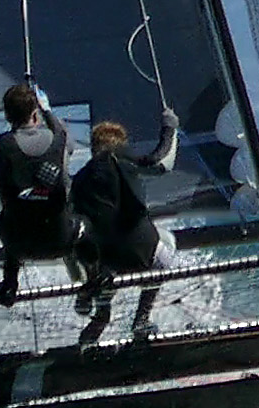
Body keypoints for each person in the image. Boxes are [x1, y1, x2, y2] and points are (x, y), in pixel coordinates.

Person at [0, 81, 79, 302]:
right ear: (35, 114)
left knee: (14, 216)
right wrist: (47, 111)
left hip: (19, 245)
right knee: (73, 212)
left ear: (7, 116)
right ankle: (88, 287)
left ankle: (10, 283)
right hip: (62, 240)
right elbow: (63, 135)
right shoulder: (60, 141)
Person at [70, 111, 183, 337]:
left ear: (93, 148)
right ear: (120, 145)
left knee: (90, 249)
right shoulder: (122, 159)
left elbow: (74, 226)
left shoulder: (79, 179)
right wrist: (170, 128)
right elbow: (162, 163)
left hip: (106, 262)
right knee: (166, 249)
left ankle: (100, 312)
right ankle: (142, 319)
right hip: (141, 253)